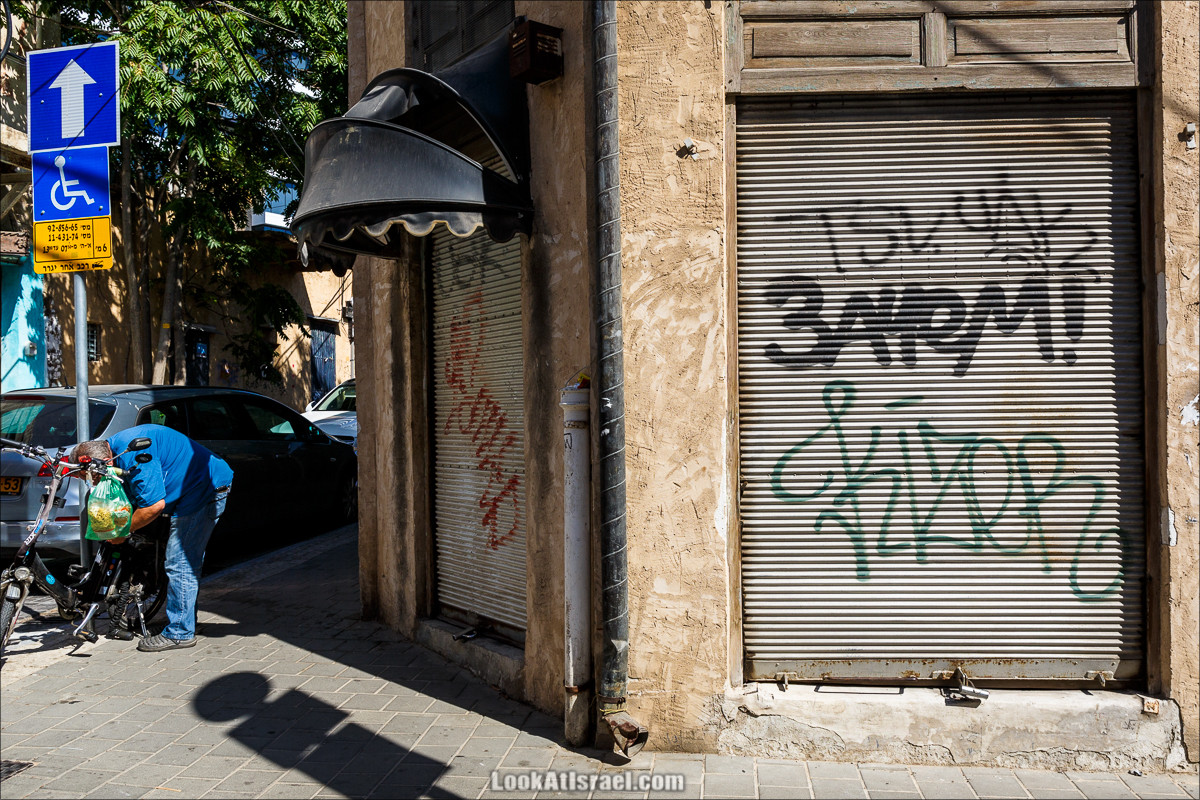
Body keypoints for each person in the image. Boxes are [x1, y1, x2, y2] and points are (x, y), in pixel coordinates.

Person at [73, 424, 233, 652]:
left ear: (105, 462)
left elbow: (153, 506)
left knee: (181, 562)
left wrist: (122, 532)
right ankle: (184, 621)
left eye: (92, 477)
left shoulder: (134, 454)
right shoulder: (117, 448)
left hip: (204, 489)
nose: (93, 483)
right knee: (180, 560)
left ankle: (179, 633)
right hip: (187, 488)